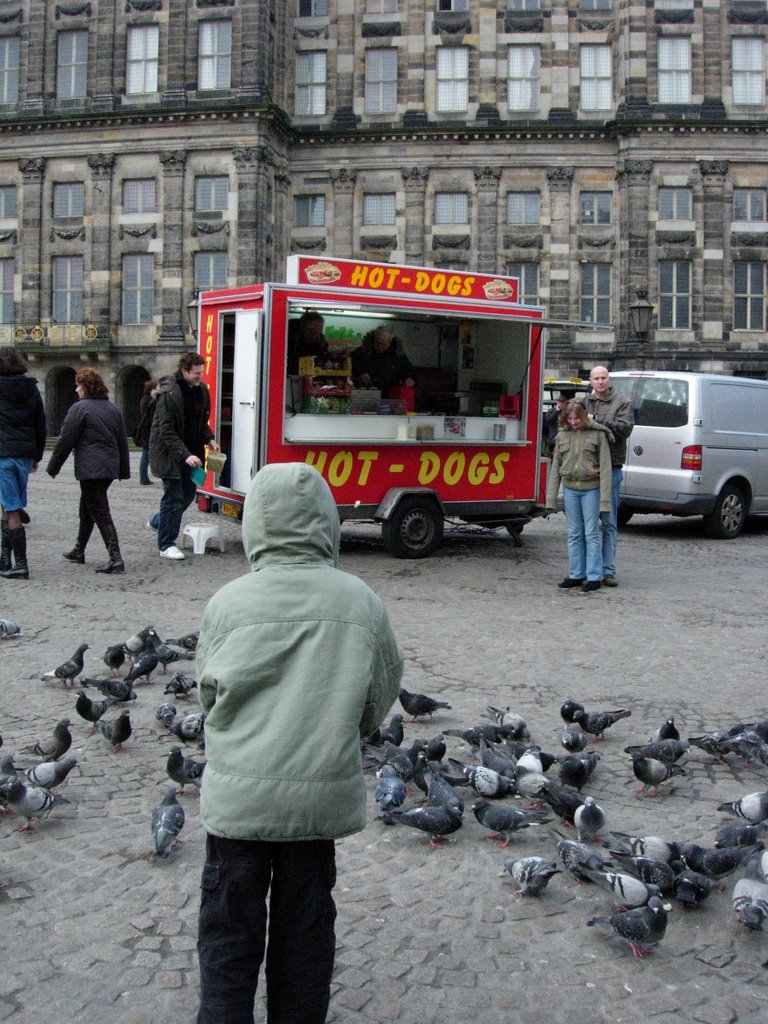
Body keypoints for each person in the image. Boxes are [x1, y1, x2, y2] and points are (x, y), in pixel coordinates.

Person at [194, 461, 403, 1024]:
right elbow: (380, 694)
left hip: (239, 805)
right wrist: (335, 730)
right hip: (315, 801)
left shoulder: (229, 603)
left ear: (256, 522)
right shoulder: (360, 601)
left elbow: (207, 698)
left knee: (228, 941)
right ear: (326, 522)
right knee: (305, 937)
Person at [46, 367, 130, 575]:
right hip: (108, 467)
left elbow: (66, 439)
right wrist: (123, 469)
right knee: (88, 508)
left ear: (86, 387)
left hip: (91, 468)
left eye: (78, 385)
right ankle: (79, 549)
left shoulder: (80, 408)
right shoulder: (113, 408)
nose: (76, 389)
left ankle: (115, 558)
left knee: (99, 511)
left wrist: (53, 466)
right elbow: (122, 441)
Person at [147, 352, 220, 561]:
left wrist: (210, 439)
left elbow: (200, 422)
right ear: (184, 371)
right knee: (173, 497)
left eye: (201, 373)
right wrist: (184, 454)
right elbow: (166, 430)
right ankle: (166, 544)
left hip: (193, 453)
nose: (200, 377)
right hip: (171, 454)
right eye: (196, 373)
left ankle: (158, 521)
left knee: (188, 495)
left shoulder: (202, 390)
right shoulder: (169, 393)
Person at [545, 401, 613, 593]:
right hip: (570, 489)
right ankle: (576, 574)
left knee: (591, 533)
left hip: (591, 488)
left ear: (583, 416)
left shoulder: (599, 434)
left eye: (576, 418)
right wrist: (551, 499)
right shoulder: (562, 436)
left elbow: (606, 469)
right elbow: (555, 468)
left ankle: (593, 575)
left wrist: (605, 500)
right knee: (574, 533)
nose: (573, 422)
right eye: (570, 418)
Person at [578, 365, 634, 587]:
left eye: (604, 378)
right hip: (587, 466)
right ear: (590, 381)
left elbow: (626, 428)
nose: (600, 382)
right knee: (586, 523)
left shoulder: (622, 402)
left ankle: (608, 570)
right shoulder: (583, 402)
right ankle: (585, 569)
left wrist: (597, 420)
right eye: (596, 378)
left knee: (608, 521)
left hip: (611, 466)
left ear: (609, 379)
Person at [0, 347, 46, 580]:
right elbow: (40, 423)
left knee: (11, 508)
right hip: (24, 454)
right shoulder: (31, 388)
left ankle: (21, 564)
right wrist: (36, 456)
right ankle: (5, 558)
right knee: (8, 504)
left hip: (3, 453)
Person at [351, 326, 416, 395]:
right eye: (377, 343)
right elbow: (352, 367)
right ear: (373, 339)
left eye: (383, 344)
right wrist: (361, 374)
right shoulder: (360, 352)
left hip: (390, 396)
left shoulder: (397, 355)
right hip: (364, 395)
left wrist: (410, 379)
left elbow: (409, 371)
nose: (379, 347)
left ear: (390, 343)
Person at [287, 311, 329, 375]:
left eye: (318, 333)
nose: (315, 336)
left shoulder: (319, 341)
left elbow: (324, 357)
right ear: (303, 328)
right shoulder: (291, 338)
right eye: (312, 333)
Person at [135, 379, 158, 486]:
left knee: (146, 454)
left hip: (146, 429)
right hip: (149, 429)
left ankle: (144, 478)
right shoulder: (151, 400)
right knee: (146, 454)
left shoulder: (145, 398)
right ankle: (143, 478)